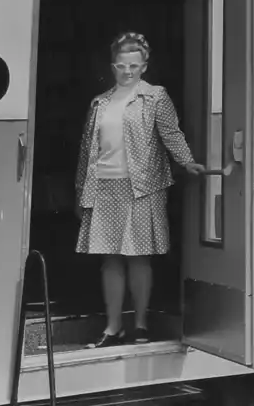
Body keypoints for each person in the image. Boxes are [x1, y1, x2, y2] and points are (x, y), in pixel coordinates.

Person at [74, 32, 205, 348]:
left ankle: (141, 325)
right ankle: (113, 326)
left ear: (144, 65)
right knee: (111, 260)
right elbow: (85, 150)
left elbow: (171, 134)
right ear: (113, 66)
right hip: (104, 186)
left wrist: (187, 161)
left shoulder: (155, 97)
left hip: (142, 188)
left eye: (134, 65)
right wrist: (81, 191)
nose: (127, 71)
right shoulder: (100, 102)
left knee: (138, 259)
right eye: (121, 65)